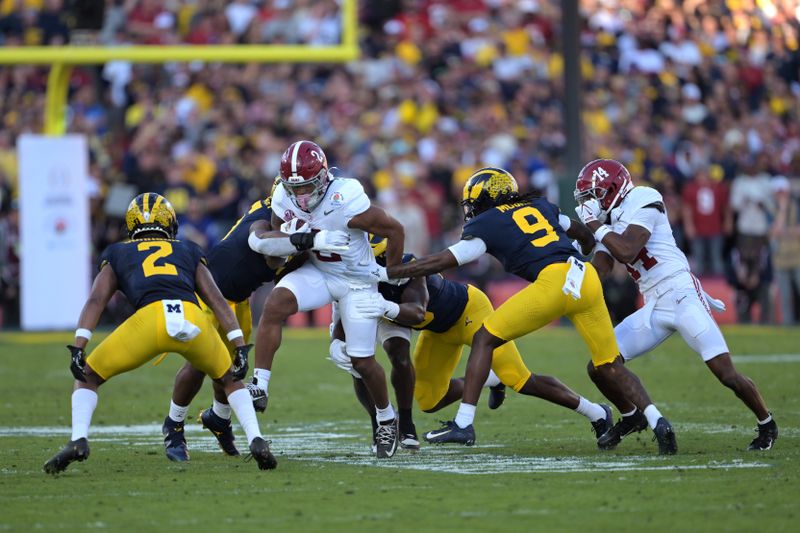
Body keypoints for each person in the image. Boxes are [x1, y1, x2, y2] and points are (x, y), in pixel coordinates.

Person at [369, 167, 678, 454]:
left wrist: (393, 271)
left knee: (488, 341)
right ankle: (655, 419)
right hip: (584, 278)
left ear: (488, 198)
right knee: (609, 363)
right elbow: (584, 236)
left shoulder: (487, 222)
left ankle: (464, 424)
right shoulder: (541, 205)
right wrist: (590, 257)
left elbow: (447, 260)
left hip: (532, 289)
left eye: (474, 202)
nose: (471, 209)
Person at [44, 193, 277, 474]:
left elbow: (96, 300)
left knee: (89, 376)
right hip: (192, 320)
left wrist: (80, 344)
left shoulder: (117, 252)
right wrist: (238, 344)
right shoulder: (189, 249)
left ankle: (78, 439)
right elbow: (216, 298)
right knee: (229, 379)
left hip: (150, 321)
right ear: (170, 222)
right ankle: (256, 439)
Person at [574, 159, 777, 451]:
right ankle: (632, 416)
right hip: (653, 304)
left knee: (725, 373)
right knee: (600, 365)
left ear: (613, 188)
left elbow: (628, 251)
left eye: (594, 195)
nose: (591, 204)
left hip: (681, 294)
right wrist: (571, 261)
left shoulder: (644, 197)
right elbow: (600, 270)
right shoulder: (608, 223)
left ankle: (766, 423)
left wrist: (594, 225)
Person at [338, 237, 614, 448]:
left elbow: (417, 311)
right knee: (429, 399)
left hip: (470, 313)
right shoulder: (360, 279)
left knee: (520, 379)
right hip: (437, 332)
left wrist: (381, 306)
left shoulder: (410, 268)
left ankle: (596, 412)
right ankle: (489, 379)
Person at [247, 140, 407, 459]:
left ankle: (387, 419)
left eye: (307, 186)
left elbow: (395, 229)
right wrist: (291, 242)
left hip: (358, 281)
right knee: (275, 303)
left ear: (321, 177)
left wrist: (391, 271)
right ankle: (259, 384)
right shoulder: (283, 196)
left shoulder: (344, 197)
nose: (301, 195)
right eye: (295, 188)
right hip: (319, 272)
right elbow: (278, 255)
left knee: (361, 361)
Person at [161, 178, 288, 461]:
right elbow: (272, 257)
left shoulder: (286, 218)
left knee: (231, 367)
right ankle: (174, 423)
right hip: (212, 293)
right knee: (199, 362)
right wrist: (310, 242)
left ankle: (219, 418)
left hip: (238, 299)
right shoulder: (266, 219)